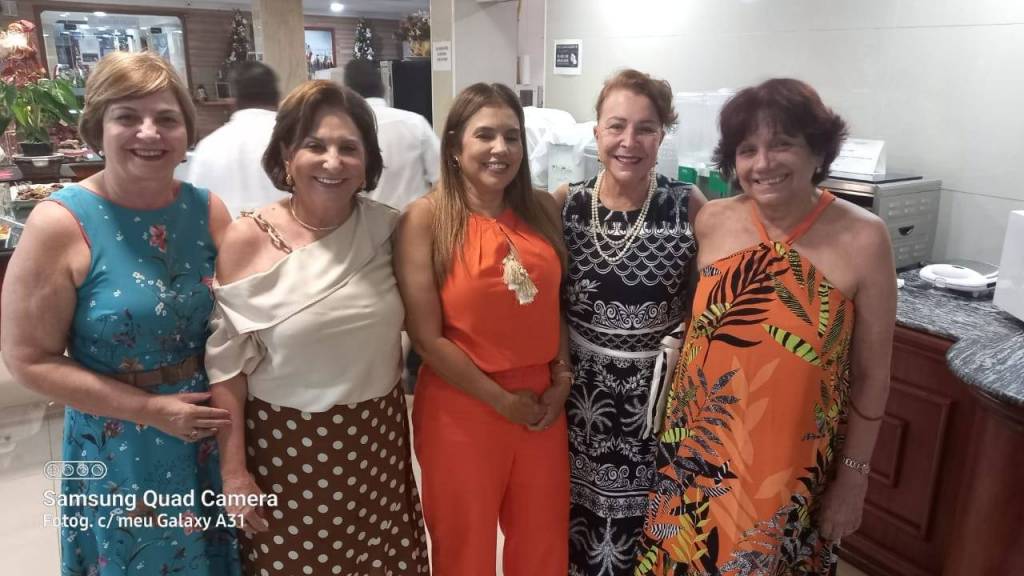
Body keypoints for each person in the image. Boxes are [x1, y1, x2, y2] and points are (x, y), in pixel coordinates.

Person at [637, 78, 896, 574]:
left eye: (781, 144)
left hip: (789, 472)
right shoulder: (713, 220)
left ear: (817, 151)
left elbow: (873, 376)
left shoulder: (865, 238)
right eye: (747, 149)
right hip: (696, 460)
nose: (763, 163)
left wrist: (855, 476)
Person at [1, 51, 240, 575]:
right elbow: (28, 360)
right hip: (119, 445)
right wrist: (151, 410)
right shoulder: (60, 223)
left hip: (209, 431)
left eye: (166, 118)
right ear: (98, 129)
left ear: (186, 131)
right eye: (127, 116)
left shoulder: (208, 209)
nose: (149, 132)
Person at [204, 80, 429, 575]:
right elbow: (227, 368)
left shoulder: (387, 231)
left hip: (376, 443)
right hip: (286, 449)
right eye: (315, 145)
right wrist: (234, 471)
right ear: (287, 154)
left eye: (349, 148)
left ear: (367, 162)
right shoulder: (246, 239)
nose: (333, 162)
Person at [394, 82, 570, 575]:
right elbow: (427, 338)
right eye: (485, 135)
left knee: (542, 545)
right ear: (455, 145)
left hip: (541, 407)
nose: (501, 149)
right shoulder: (425, 219)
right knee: (464, 551)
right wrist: (500, 401)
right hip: (462, 407)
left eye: (512, 137)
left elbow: (553, 302)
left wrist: (562, 377)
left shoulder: (542, 210)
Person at [553, 69, 705, 576]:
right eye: (616, 126)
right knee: (571, 518)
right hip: (580, 396)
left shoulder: (687, 205)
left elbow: (710, 298)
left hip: (655, 402)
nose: (629, 141)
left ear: (662, 136)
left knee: (645, 528)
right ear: (596, 130)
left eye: (646, 128)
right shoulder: (566, 203)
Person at [186, 61, 287, 217]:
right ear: (278, 97)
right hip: (290, 231)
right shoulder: (295, 139)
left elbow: (194, 209)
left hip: (225, 231)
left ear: (234, 100)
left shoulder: (208, 147)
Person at [343, 59, 440, 211]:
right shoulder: (416, 123)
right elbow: (443, 178)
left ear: (347, 92)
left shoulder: (345, 129)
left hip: (366, 221)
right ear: (383, 87)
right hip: (414, 219)